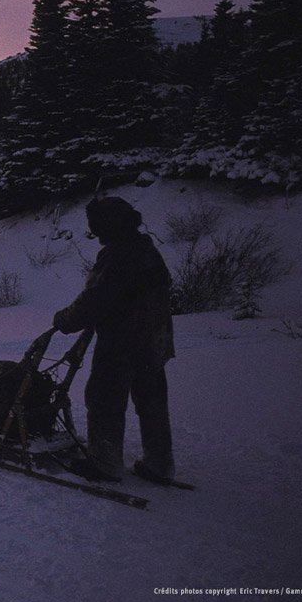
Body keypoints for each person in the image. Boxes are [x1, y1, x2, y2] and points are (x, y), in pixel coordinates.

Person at [53, 196, 176, 484]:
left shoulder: (118, 255)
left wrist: (64, 320)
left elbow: (94, 300)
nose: (94, 232)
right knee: (151, 401)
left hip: (123, 342)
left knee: (104, 397)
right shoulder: (146, 248)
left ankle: (105, 463)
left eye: (96, 226)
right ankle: (160, 464)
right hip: (155, 340)